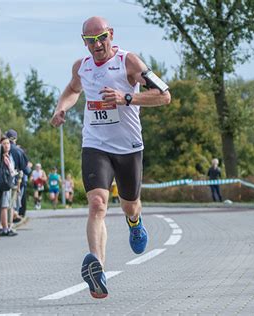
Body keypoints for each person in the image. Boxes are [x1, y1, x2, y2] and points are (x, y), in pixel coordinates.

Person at [50, 16, 171, 298]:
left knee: (130, 205)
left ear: (111, 34)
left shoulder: (129, 62)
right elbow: (72, 90)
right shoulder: (82, 66)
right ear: (84, 43)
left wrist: (126, 98)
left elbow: (164, 96)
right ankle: (98, 269)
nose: (97, 45)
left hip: (128, 146)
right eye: (90, 41)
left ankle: (134, 222)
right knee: (97, 203)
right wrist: (61, 108)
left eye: (102, 37)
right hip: (95, 144)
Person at [0, 137, 18, 237]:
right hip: (4, 184)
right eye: (4, 143)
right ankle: (5, 227)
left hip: (10, 182)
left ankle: (7, 226)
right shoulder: (1, 157)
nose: (7, 145)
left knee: (7, 206)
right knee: (4, 206)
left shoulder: (9, 156)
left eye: (8, 143)